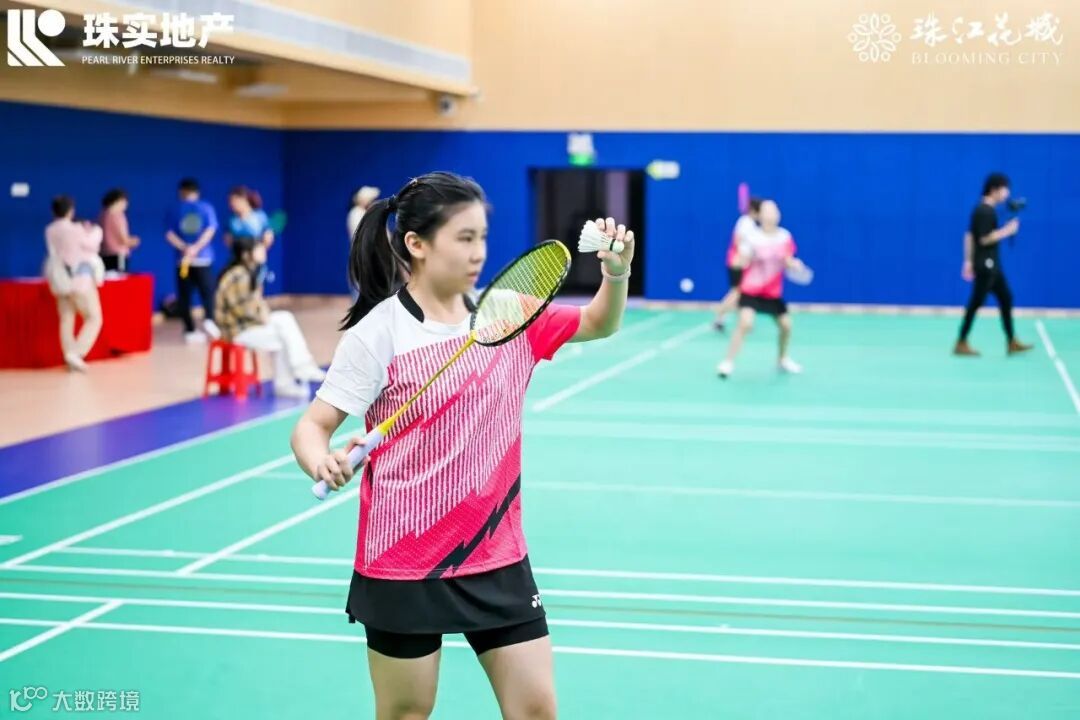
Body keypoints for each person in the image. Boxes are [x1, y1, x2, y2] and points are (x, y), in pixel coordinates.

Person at [290, 172, 634, 720]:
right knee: (406, 712)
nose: (478, 253)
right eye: (464, 238)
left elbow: (598, 323)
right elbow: (312, 427)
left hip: (495, 553)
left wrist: (615, 273)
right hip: (403, 560)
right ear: (417, 244)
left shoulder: (511, 313)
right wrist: (322, 460)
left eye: (482, 237)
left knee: (536, 710)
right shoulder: (378, 333)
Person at [214, 236, 324, 398]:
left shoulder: (247, 272)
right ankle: (294, 375)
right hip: (236, 331)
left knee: (285, 319)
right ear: (246, 254)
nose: (263, 251)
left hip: (246, 325)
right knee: (283, 334)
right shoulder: (240, 275)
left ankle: (299, 369)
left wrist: (261, 312)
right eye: (258, 248)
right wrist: (262, 316)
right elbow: (243, 311)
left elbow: (255, 304)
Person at [717, 199, 807, 378]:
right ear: (760, 216)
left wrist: (794, 264)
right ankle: (728, 362)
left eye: (774, 210)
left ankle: (782, 360)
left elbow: (787, 259)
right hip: (751, 290)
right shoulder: (752, 237)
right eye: (767, 211)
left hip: (772, 293)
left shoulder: (784, 237)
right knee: (745, 323)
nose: (772, 214)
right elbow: (742, 259)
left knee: (786, 326)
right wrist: (740, 261)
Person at [954, 173, 1033, 356]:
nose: (1007, 193)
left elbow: (969, 235)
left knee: (1006, 297)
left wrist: (967, 261)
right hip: (986, 265)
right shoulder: (985, 211)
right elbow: (983, 239)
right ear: (994, 189)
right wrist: (1007, 231)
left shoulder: (982, 210)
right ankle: (961, 341)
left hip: (992, 265)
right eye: (1005, 189)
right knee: (976, 302)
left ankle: (1011, 341)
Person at [44, 195, 104, 372]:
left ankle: (70, 357)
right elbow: (91, 245)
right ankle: (76, 353)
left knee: (66, 319)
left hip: (59, 280)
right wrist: (95, 231)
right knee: (94, 317)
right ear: (70, 210)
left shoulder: (50, 230)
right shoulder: (76, 229)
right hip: (80, 281)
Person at [165, 178, 220, 343]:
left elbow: (169, 234)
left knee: (185, 295)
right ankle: (209, 320)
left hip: (184, 262)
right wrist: (196, 248)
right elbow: (210, 229)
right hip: (202, 260)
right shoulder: (206, 207)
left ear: (182, 191)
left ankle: (189, 329)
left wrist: (185, 248)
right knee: (207, 292)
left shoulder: (175, 209)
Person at [714, 197, 762, 331]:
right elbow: (737, 240)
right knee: (736, 292)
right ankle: (719, 317)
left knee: (741, 293)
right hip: (737, 262)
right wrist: (741, 258)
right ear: (754, 211)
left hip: (744, 262)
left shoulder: (751, 224)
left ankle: (740, 321)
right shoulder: (745, 222)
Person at [98, 188, 139, 272]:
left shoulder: (102, 215)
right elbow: (123, 240)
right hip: (119, 256)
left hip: (103, 255)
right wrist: (134, 241)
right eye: (125, 201)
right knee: (120, 279)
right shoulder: (119, 216)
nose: (126, 205)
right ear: (119, 200)